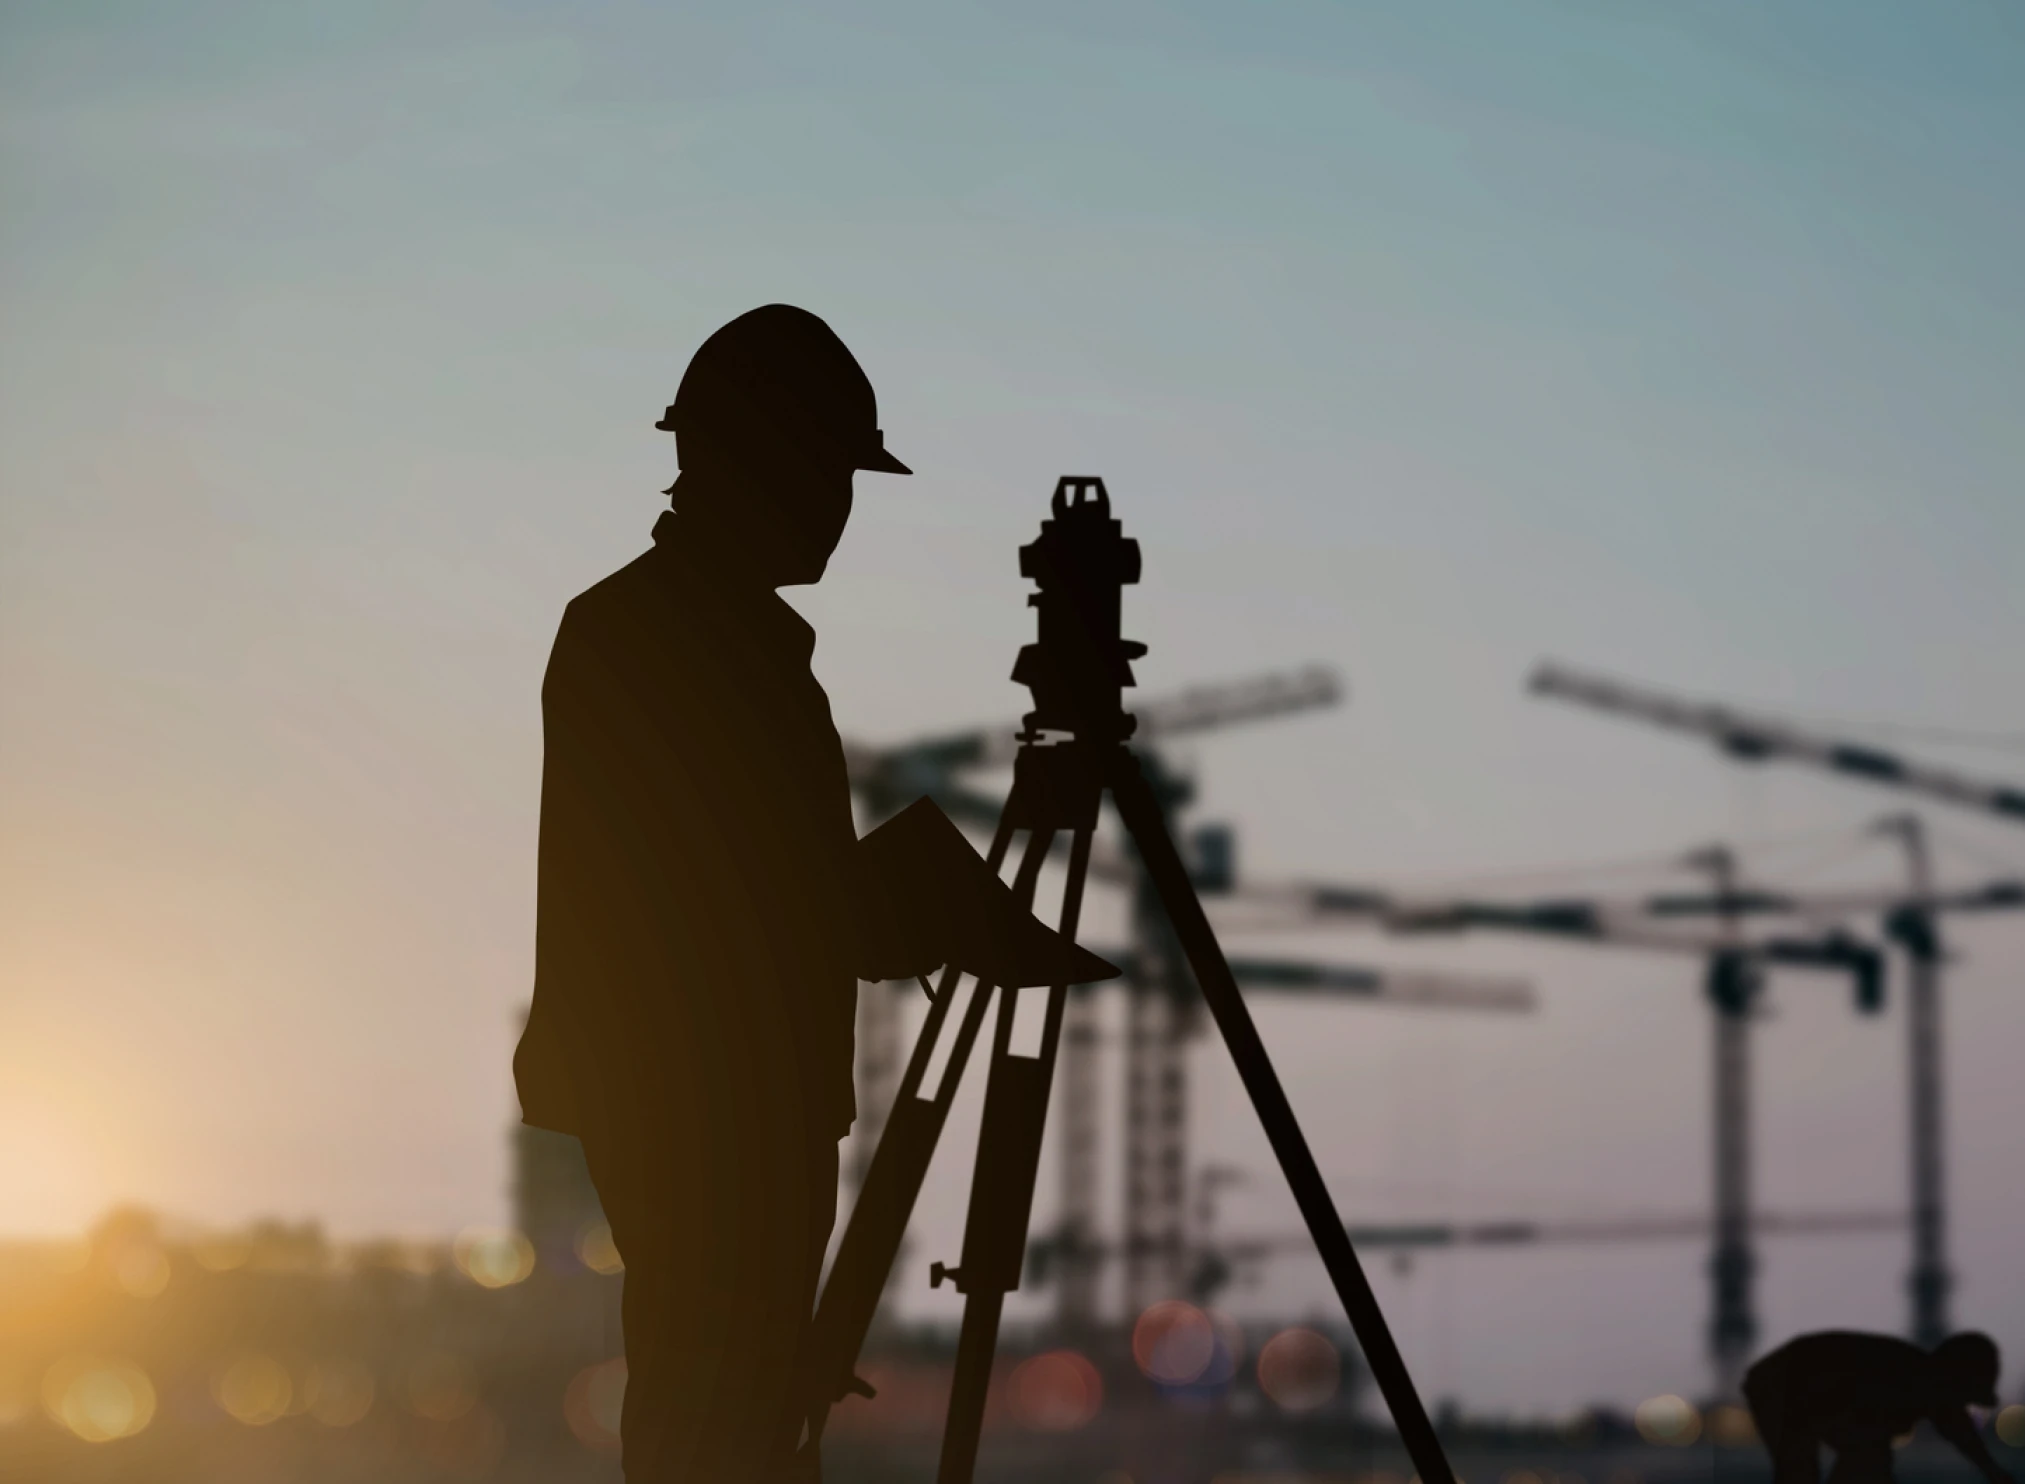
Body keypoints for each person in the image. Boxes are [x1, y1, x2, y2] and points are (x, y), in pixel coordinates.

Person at [513, 304, 1109, 1483]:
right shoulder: (663, 638)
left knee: (747, 1414)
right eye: (831, 473)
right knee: (716, 1425)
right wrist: (907, 898)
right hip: (709, 1112)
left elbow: (754, 885)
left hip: (741, 1105)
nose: (841, 505)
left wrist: (891, 897)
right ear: (760, 467)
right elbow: (724, 897)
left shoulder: (707, 636)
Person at [1744, 1329, 2013, 1484]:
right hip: (1780, 1384)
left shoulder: (1930, 1384)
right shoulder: (1904, 1380)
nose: (1961, 1405)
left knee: (1866, 1459)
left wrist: (1992, 1470)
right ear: (1953, 1380)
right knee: (1802, 1470)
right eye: (1964, 1395)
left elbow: (1958, 1428)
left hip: (1804, 1389)